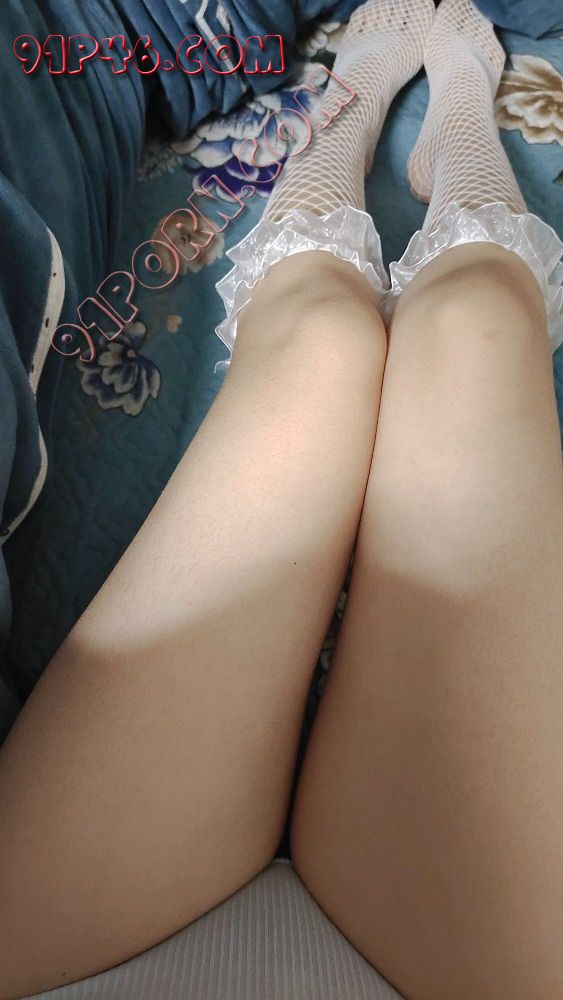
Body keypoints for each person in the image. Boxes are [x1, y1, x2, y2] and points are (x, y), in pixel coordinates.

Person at [0, 1, 561, 998]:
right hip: (474, 934)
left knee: (319, 342)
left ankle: (356, 112)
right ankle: (456, 118)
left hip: (52, 910)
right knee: (476, 324)